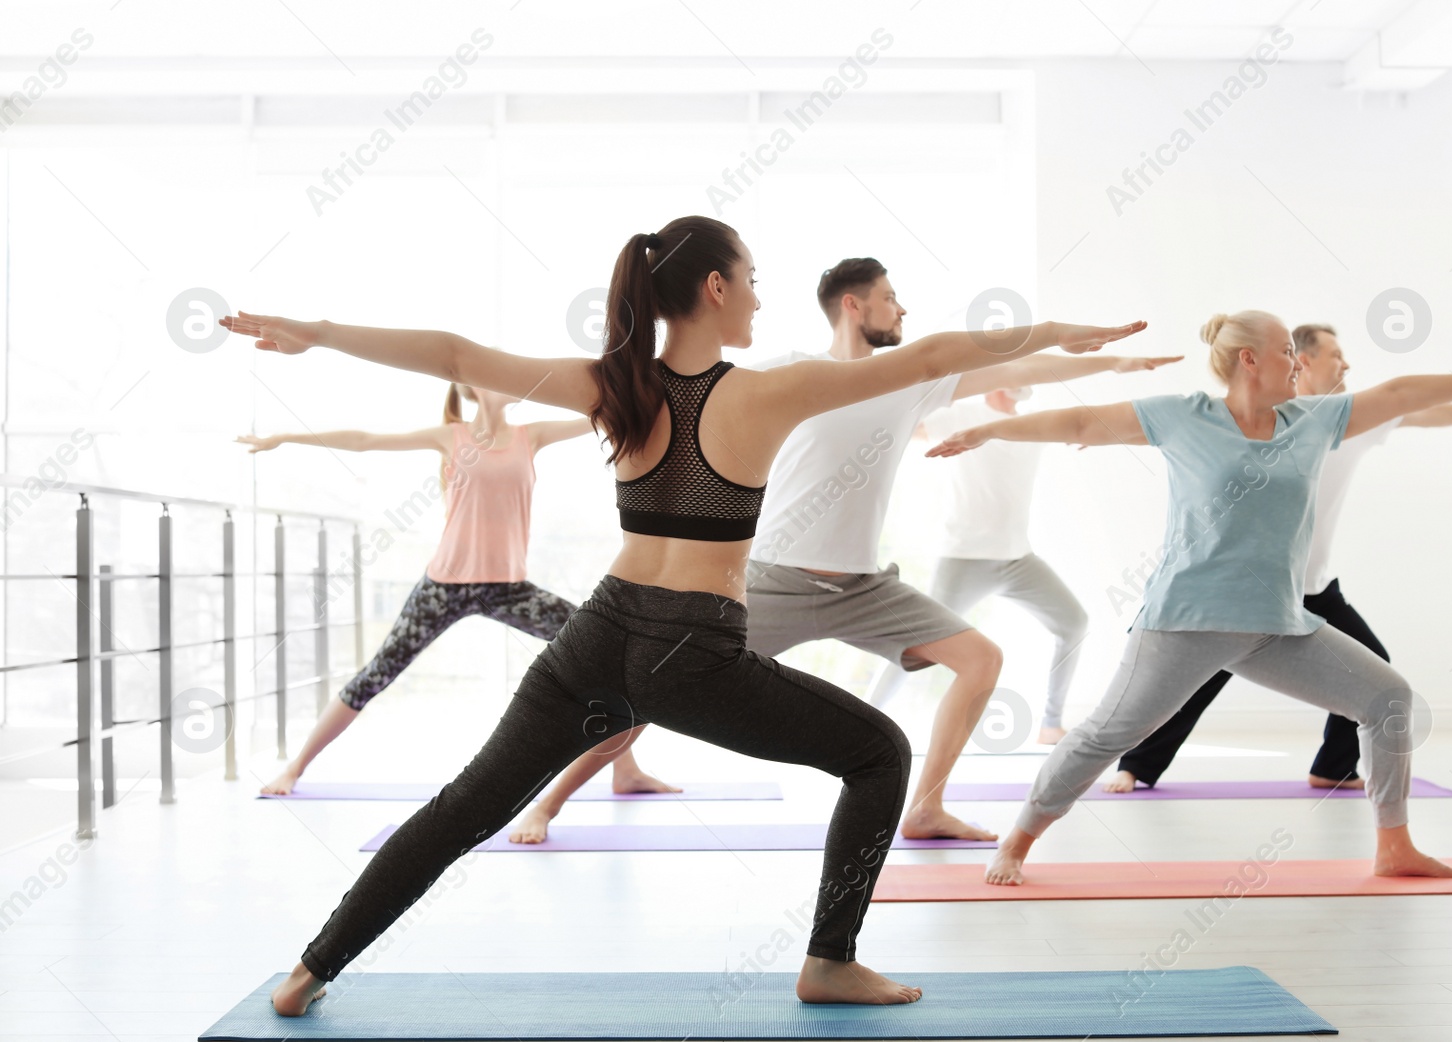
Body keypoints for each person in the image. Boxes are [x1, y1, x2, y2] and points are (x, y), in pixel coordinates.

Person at [220, 215, 1147, 1014]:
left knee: (468, 803)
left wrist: (319, 331)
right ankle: (829, 961)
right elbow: (940, 355)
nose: (757, 298)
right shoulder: (765, 390)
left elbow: (460, 356)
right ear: (716, 285)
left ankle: (311, 970)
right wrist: (1069, 332)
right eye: (751, 281)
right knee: (878, 754)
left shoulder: (614, 383)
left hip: (599, 633)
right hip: (691, 647)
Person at [506, 257, 1177, 846]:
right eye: (890, 297)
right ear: (853, 306)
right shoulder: (787, 373)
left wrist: (1112, 361)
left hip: (865, 589)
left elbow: (1016, 364)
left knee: (981, 659)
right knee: (657, 685)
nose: (902, 308)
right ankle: (549, 800)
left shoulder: (914, 378)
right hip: (775, 580)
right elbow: (685, 398)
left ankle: (928, 807)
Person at [925, 308, 1452, 886]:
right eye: (1285, 351)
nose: (1297, 363)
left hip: (1276, 622)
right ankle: (1020, 839)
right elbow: (1084, 422)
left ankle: (1394, 845)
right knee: (1102, 737)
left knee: (1389, 699)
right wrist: (990, 429)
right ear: (1249, 359)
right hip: (1185, 622)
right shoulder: (1184, 416)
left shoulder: (1314, 422)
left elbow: (1401, 394)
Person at [1103, 323, 1452, 793]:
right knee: (1197, 680)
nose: (1346, 365)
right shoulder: (1259, 421)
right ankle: (1136, 766)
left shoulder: (1353, 420)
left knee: (1374, 666)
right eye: (1336, 355)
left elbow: (1416, 408)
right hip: (1244, 590)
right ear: (1302, 362)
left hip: (1312, 587)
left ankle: (1333, 767)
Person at [241, 386, 676, 799]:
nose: (511, 382)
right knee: (375, 674)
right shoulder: (453, 436)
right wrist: (285, 437)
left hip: (509, 589)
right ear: (471, 388)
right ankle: (295, 767)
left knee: (606, 651)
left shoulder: (533, 435)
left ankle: (625, 770)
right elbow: (364, 440)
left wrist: (657, 386)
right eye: (495, 377)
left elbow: (603, 413)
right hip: (444, 587)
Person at [864, 381, 1121, 746]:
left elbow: (1080, 424)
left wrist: (1097, 435)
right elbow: (905, 429)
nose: (1022, 383)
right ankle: (867, 721)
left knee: (1074, 623)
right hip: (963, 560)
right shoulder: (961, 415)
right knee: (915, 642)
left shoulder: (1034, 424)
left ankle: (1050, 724)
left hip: (1018, 559)